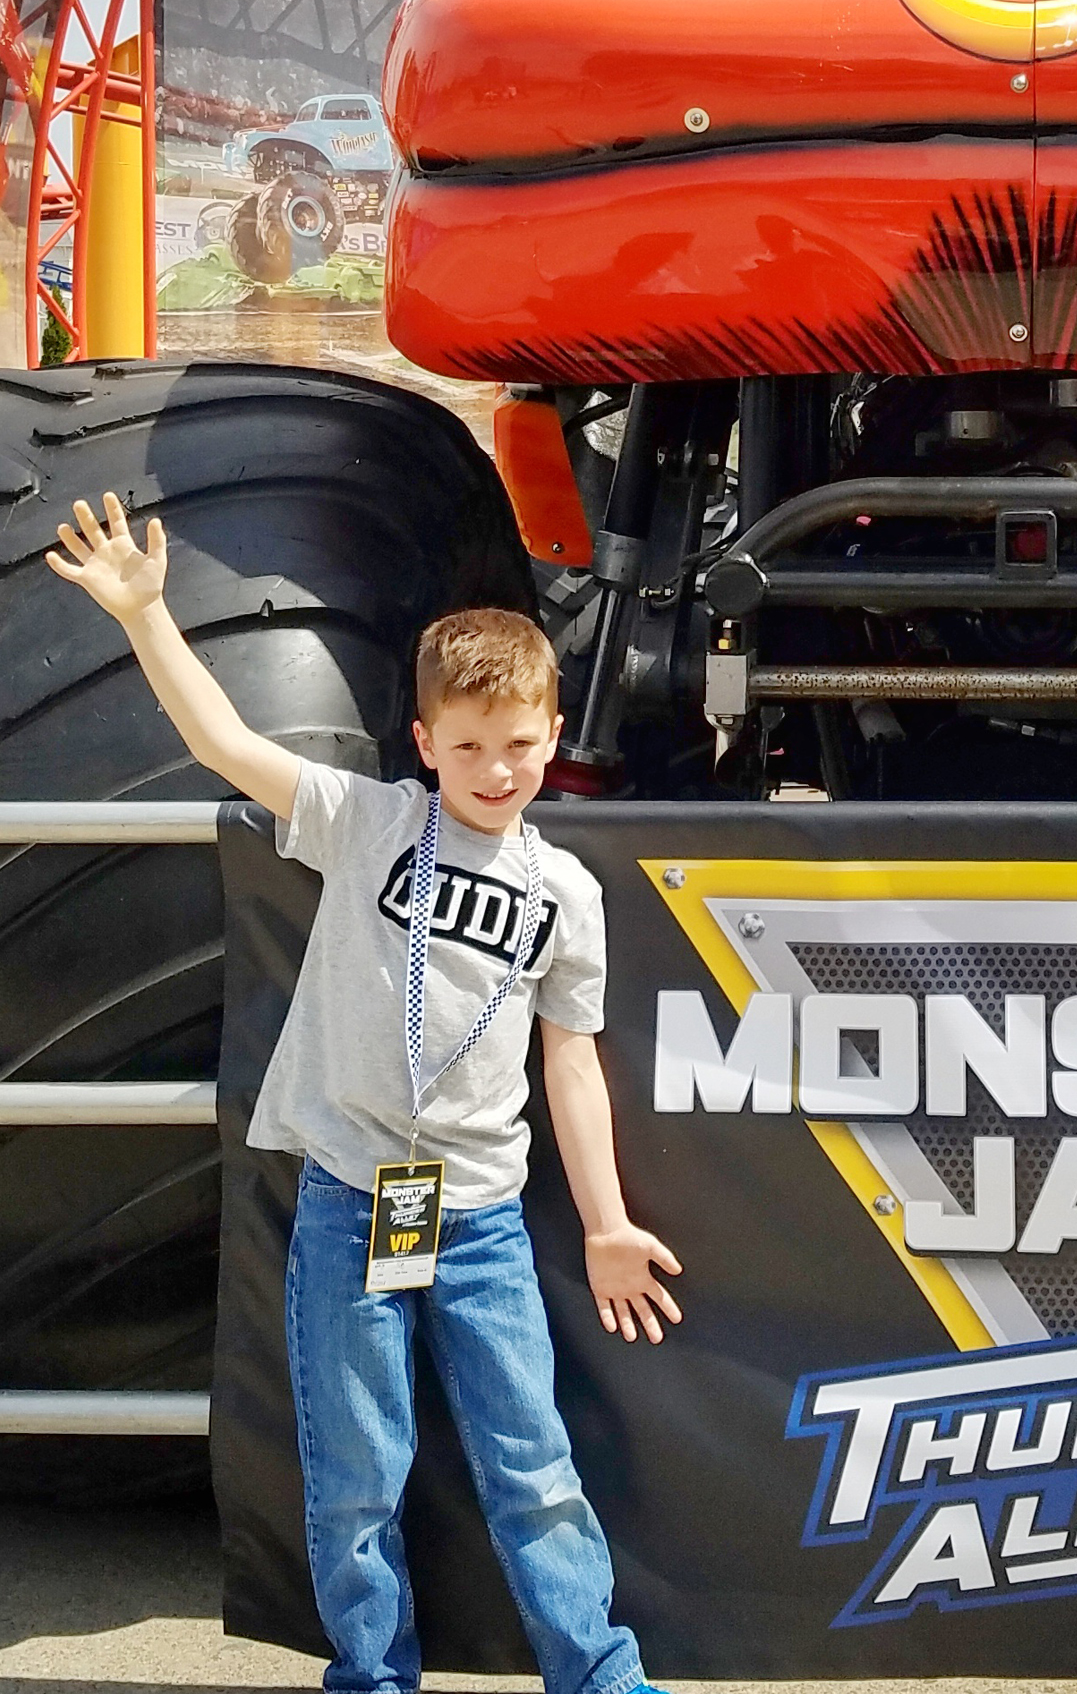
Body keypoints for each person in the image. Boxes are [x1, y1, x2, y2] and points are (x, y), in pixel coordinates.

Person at [48, 492, 676, 1694]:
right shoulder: (367, 822)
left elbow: (571, 1061)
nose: (499, 768)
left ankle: (596, 1674)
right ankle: (371, 1676)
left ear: (555, 735)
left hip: (487, 1223)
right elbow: (228, 745)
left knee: (533, 1467)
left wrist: (603, 1221)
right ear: (424, 740)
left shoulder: (566, 893)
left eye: (522, 740)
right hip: (348, 1204)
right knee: (353, 1474)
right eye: (472, 742)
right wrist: (145, 614)